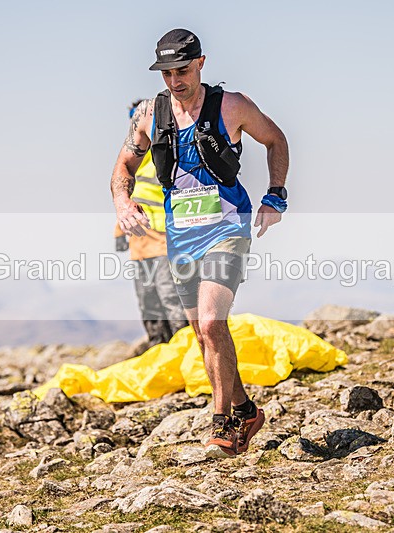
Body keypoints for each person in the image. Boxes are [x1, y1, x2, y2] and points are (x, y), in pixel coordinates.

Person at [110, 29, 289, 457]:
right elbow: (122, 167)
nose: (176, 81)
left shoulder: (232, 106)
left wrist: (275, 194)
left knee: (211, 322)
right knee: (202, 331)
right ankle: (245, 409)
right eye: (167, 73)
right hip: (180, 236)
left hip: (228, 228)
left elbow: (276, 140)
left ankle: (222, 420)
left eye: (183, 70)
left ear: (201, 63)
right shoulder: (150, 116)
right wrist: (122, 202)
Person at [114, 101, 188, 353]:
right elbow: (127, 197)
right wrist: (118, 231)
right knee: (148, 303)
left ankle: (186, 351)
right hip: (139, 244)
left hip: (164, 239)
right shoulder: (132, 156)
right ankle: (160, 353)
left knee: (171, 299)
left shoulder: (163, 152)